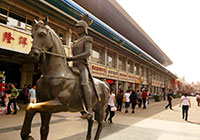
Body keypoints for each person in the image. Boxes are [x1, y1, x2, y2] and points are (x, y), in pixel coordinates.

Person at [67, 15, 94, 119]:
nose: (77, 29)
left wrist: (73, 58)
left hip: (82, 66)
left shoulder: (88, 39)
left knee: (84, 83)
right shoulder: (75, 41)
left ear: (84, 28)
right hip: (74, 66)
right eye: (76, 27)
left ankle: (89, 110)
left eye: (79, 27)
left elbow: (88, 53)